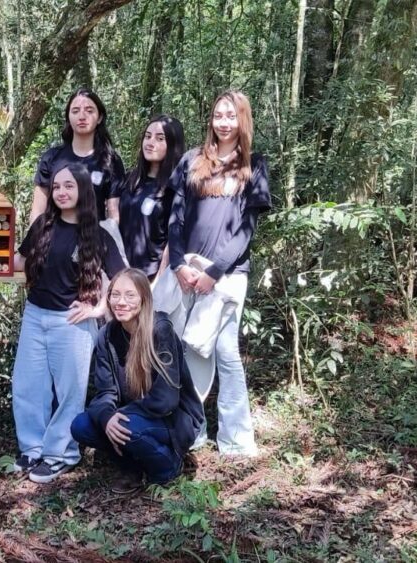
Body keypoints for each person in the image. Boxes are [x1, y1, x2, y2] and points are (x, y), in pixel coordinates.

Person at [163, 90, 271, 456]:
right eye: (218, 115)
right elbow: (175, 218)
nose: (223, 122)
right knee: (188, 350)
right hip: (187, 271)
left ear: (242, 120)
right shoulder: (192, 161)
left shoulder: (255, 165)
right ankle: (193, 432)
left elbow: (246, 230)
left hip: (228, 276)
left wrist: (215, 271)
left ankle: (236, 440)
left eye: (231, 115)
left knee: (225, 352)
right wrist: (178, 263)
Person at [10, 163, 127, 483]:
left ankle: (61, 453)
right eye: (57, 187)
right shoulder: (42, 227)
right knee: (27, 386)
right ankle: (32, 448)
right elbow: (18, 261)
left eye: (69, 186)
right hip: (35, 316)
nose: (61, 192)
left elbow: (122, 279)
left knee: (69, 392)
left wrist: (98, 308)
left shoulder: (98, 234)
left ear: (82, 191)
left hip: (72, 323)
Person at [71, 269, 203, 493]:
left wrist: (120, 416)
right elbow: (104, 392)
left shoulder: (160, 330)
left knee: (126, 424)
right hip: (131, 416)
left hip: (174, 419)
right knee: (81, 426)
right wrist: (107, 417)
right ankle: (131, 469)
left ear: (144, 298)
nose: (121, 302)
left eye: (130, 295)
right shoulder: (107, 335)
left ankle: (169, 468)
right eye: (115, 295)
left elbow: (166, 399)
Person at [28, 88, 125, 225]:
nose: (82, 116)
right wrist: (37, 241)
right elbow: (38, 211)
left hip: (94, 241)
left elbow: (114, 214)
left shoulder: (110, 160)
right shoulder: (52, 158)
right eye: (75, 111)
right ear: (68, 117)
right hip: (54, 241)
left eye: (89, 111)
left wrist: (108, 241)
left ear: (100, 117)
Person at [108, 115, 186, 279]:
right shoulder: (130, 179)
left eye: (160, 138)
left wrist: (159, 279)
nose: (150, 143)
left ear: (172, 145)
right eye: (148, 136)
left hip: (151, 277)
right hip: (120, 272)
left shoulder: (175, 187)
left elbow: (174, 239)